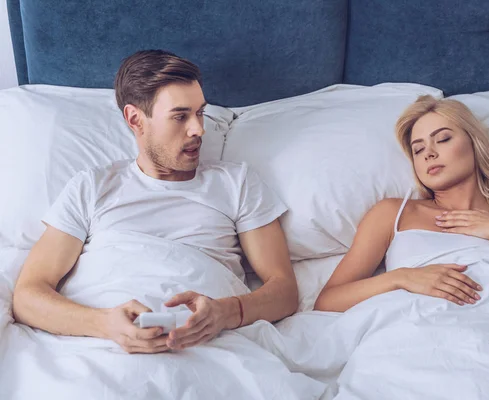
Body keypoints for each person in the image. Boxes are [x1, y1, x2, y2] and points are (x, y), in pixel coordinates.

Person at [12, 50, 299, 353]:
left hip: (206, 346)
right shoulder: (92, 187)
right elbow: (28, 295)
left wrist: (225, 312)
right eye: (180, 116)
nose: (198, 129)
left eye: (200, 112)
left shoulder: (236, 183)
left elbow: (284, 291)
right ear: (136, 119)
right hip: (100, 347)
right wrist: (104, 324)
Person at [314, 95, 489, 337]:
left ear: (474, 144)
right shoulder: (395, 213)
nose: (429, 154)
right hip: (409, 338)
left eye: (443, 139)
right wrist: (401, 278)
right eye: (418, 149)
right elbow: (327, 301)